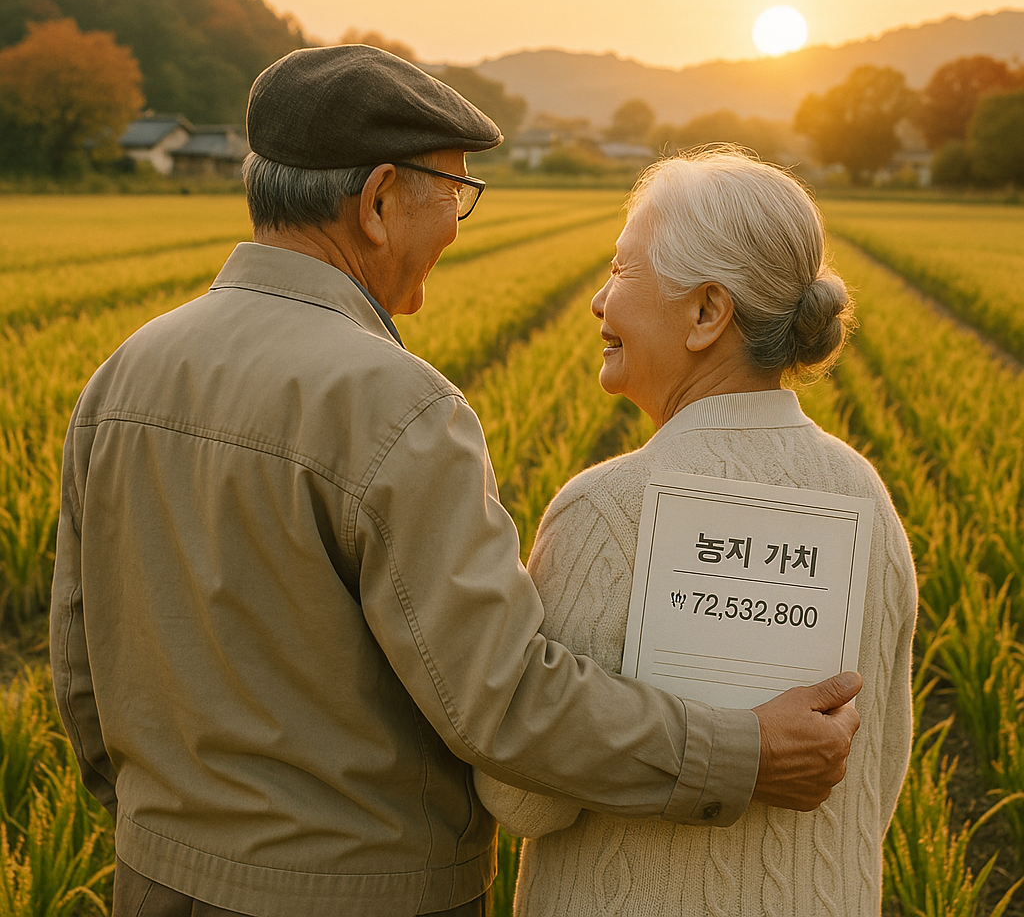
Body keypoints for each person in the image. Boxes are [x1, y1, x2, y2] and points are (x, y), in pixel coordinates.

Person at [51, 49, 862, 917]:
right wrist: (738, 754)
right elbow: (503, 703)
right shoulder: (394, 405)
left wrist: (174, 833)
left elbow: (80, 666)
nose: (459, 224)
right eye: (456, 195)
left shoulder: (124, 375)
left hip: (154, 880)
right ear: (377, 201)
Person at [475, 148, 918, 917]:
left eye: (620, 271)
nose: (596, 300)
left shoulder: (608, 511)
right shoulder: (865, 499)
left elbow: (522, 800)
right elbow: (877, 768)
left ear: (708, 311)